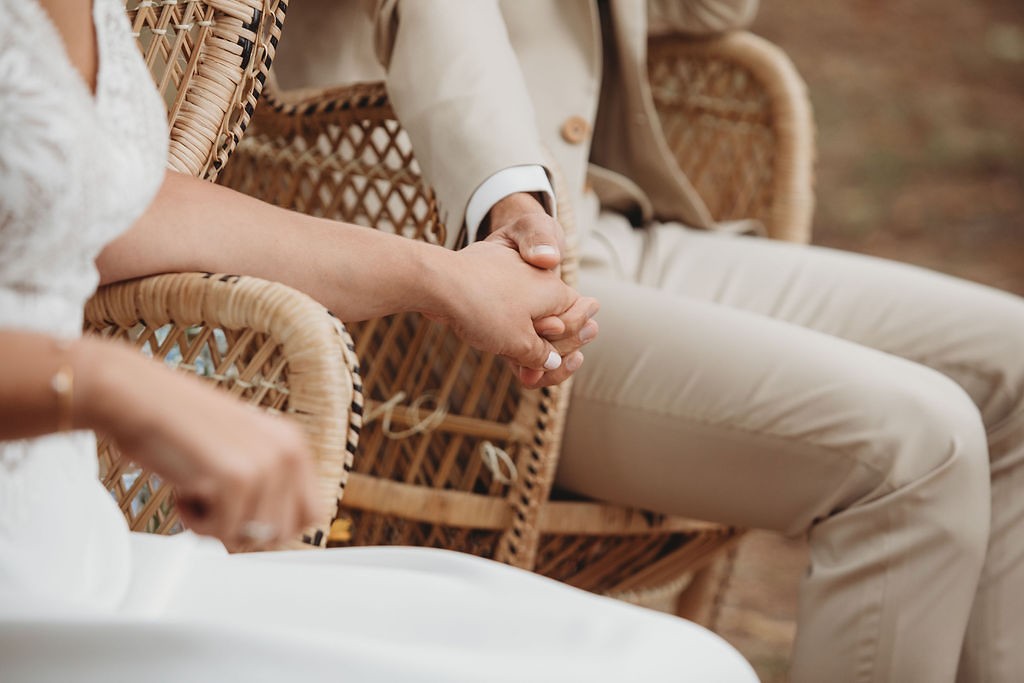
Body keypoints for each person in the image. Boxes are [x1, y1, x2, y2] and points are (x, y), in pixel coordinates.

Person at [0, 0, 761, 680]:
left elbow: (118, 210)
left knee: (686, 663)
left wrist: (438, 277)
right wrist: (109, 384)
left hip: (80, 548)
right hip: (25, 599)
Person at [273, 1, 1024, 681]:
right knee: (919, 447)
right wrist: (509, 199)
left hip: (612, 229)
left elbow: (707, 10)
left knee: (1013, 362)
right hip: (450, 275)